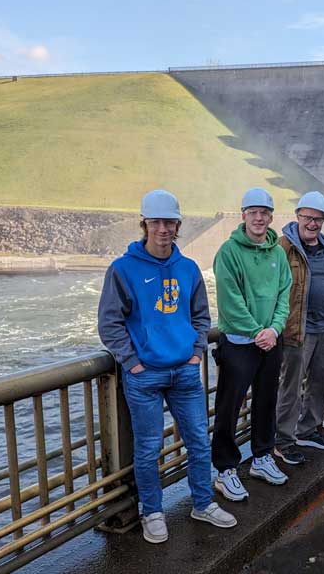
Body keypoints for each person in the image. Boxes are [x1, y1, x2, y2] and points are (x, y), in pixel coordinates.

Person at [98, 189, 235, 544]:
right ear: (144, 224)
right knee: (147, 449)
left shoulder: (188, 269)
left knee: (199, 443)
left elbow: (201, 316)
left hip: (185, 372)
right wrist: (133, 363)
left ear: (178, 226)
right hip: (145, 375)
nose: (162, 229)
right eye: (156, 222)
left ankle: (202, 503)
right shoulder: (123, 269)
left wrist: (195, 353)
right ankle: (152, 511)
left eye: (169, 222)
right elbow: (109, 323)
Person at [210, 187, 292, 502]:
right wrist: (261, 331)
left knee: (266, 401)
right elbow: (230, 303)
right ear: (243, 215)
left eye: (264, 212)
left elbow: (285, 293)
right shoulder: (229, 252)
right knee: (229, 406)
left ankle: (261, 458)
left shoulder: (277, 252)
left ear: (271, 217)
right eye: (253, 212)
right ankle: (225, 469)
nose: (259, 218)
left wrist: (275, 329)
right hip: (240, 343)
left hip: (271, 340)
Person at [275, 191, 324, 466]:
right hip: (297, 330)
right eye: (308, 217)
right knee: (290, 388)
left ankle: (307, 430)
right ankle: (283, 440)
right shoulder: (284, 247)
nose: (312, 223)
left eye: (318, 219)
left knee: (320, 383)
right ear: (298, 216)